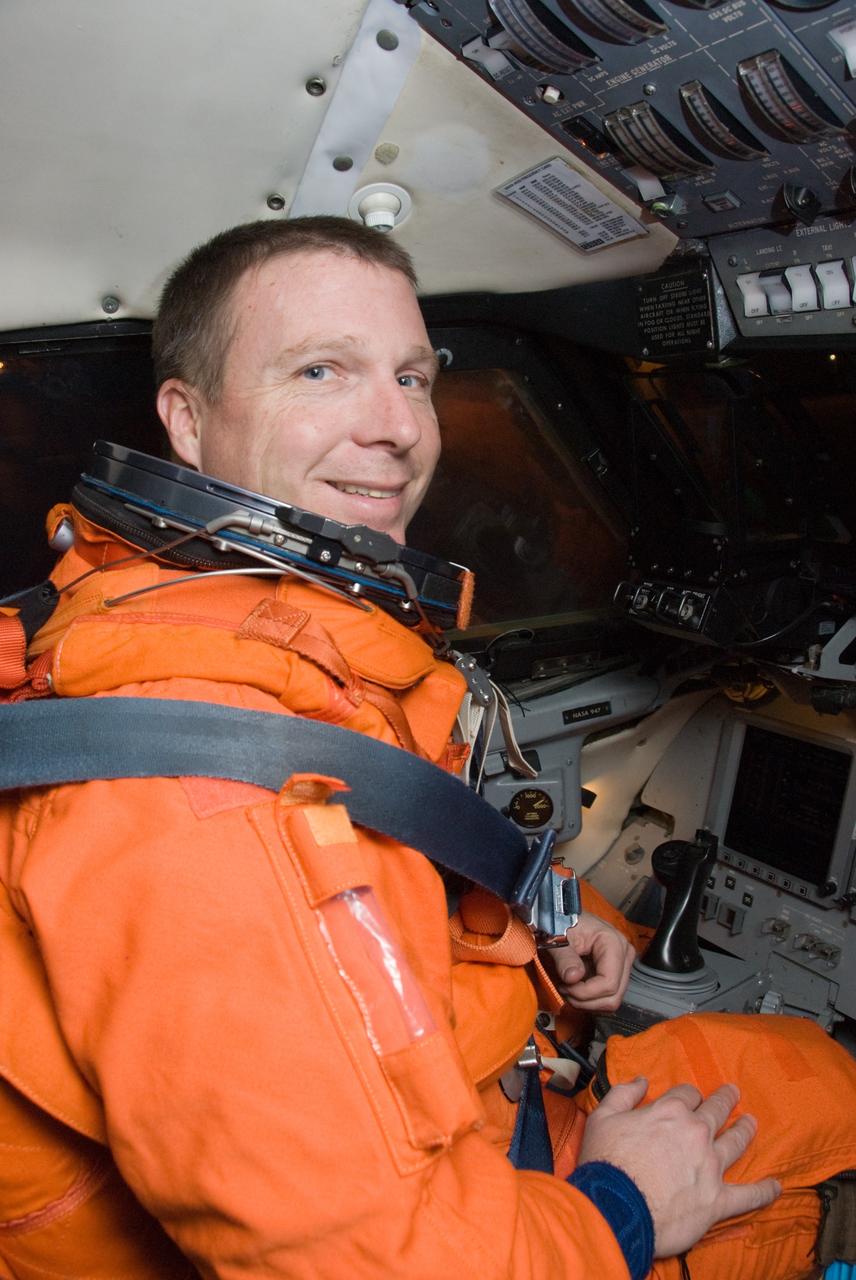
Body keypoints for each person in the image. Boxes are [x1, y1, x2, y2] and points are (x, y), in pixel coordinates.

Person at [1, 216, 854, 1279]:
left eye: (412, 375)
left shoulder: (196, 609)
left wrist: (553, 918)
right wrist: (623, 1207)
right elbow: (365, 1261)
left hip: (462, 1088)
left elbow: (372, 850)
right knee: (812, 1168)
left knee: (818, 1071)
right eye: (321, 369)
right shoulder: (200, 798)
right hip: (436, 1221)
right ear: (185, 416)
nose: (397, 426)